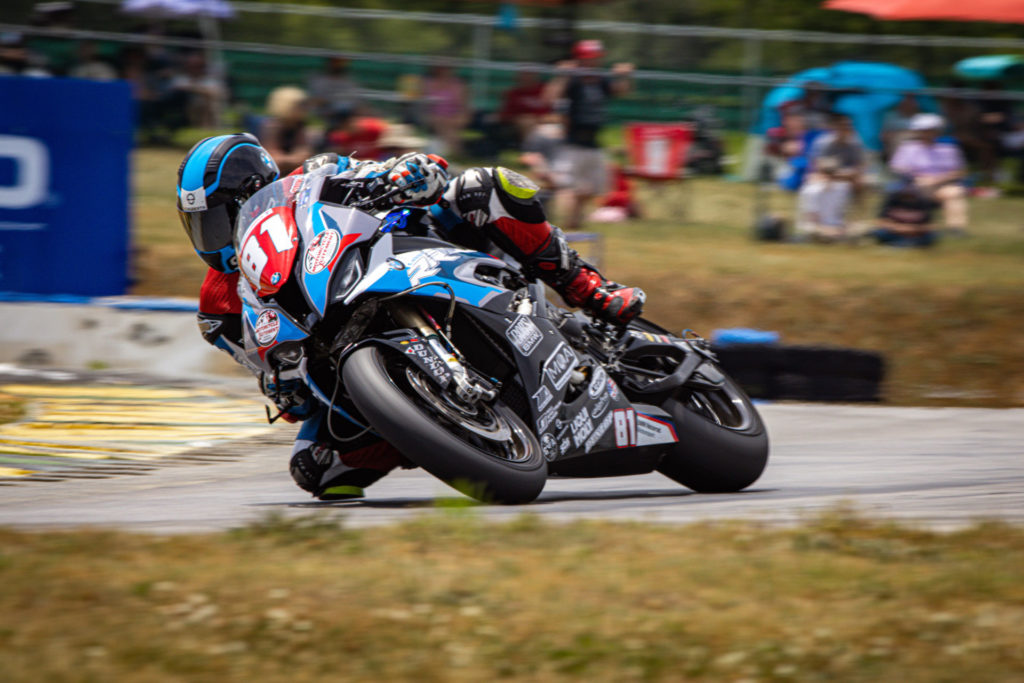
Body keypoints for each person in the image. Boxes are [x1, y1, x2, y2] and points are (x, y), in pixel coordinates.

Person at [175, 134, 645, 501]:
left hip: (424, 255)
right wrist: (281, 385)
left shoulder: (316, 178)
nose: (210, 237)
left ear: (250, 194)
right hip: (342, 351)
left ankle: (589, 288)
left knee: (484, 187)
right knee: (317, 468)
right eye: (198, 225)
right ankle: (440, 427)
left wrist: (406, 173)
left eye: (216, 219)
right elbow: (281, 385)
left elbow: (410, 169)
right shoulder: (218, 308)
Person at [544, 39, 633, 231]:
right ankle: (560, 218)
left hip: (593, 142)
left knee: (594, 187)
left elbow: (622, 91)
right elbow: (550, 97)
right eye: (590, 59)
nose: (594, 63)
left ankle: (572, 220)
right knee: (565, 185)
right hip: (573, 142)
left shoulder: (600, 80)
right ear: (580, 60)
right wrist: (562, 76)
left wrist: (623, 76)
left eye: (596, 59)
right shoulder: (573, 80)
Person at [889, 113, 968, 235]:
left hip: (941, 186)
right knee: (922, 185)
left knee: (955, 192)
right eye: (924, 131)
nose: (927, 134)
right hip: (914, 186)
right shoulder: (908, 148)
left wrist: (938, 179)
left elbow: (959, 172)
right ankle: (925, 226)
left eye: (931, 131)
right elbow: (898, 168)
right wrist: (917, 178)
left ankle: (956, 228)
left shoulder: (948, 149)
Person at [796, 114, 865, 241]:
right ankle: (814, 221)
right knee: (814, 188)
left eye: (848, 126)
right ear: (835, 128)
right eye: (842, 126)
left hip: (845, 177)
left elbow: (859, 168)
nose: (845, 129)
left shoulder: (855, 144)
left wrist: (840, 175)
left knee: (858, 183)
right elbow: (820, 166)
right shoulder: (823, 142)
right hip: (826, 175)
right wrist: (835, 175)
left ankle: (846, 219)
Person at [260, 86, 315, 175]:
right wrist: (294, 159)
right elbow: (273, 159)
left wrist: (292, 159)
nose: (305, 109)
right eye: (301, 105)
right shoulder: (272, 126)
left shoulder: (299, 125)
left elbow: (305, 153)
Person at [871, 184, 940, 248]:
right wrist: (898, 228)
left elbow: (932, 226)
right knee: (879, 232)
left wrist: (913, 229)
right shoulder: (891, 200)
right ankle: (906, 244)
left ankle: (899, 244)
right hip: (895, 232)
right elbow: (880, 222)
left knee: (932, 236)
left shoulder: (924, 202)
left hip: (916, 233)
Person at [423, 65, 470, 156]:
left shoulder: (458, 84)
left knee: (447, 124)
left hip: (452, 116)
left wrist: (462, 116)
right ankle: (455, 152)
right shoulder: (428, 83)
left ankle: (450, 152)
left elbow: (464, 104)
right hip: (433, 115)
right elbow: (423, 102)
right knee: (442, 123)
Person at [307, 56, 361, 128]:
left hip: (347, 114)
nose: (340, 65)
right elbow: (316, 100)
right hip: (326, 114)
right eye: (337, 61)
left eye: (343, 62)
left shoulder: (349, 80)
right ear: (330, 62)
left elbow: (355, 101)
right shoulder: (318, 79)